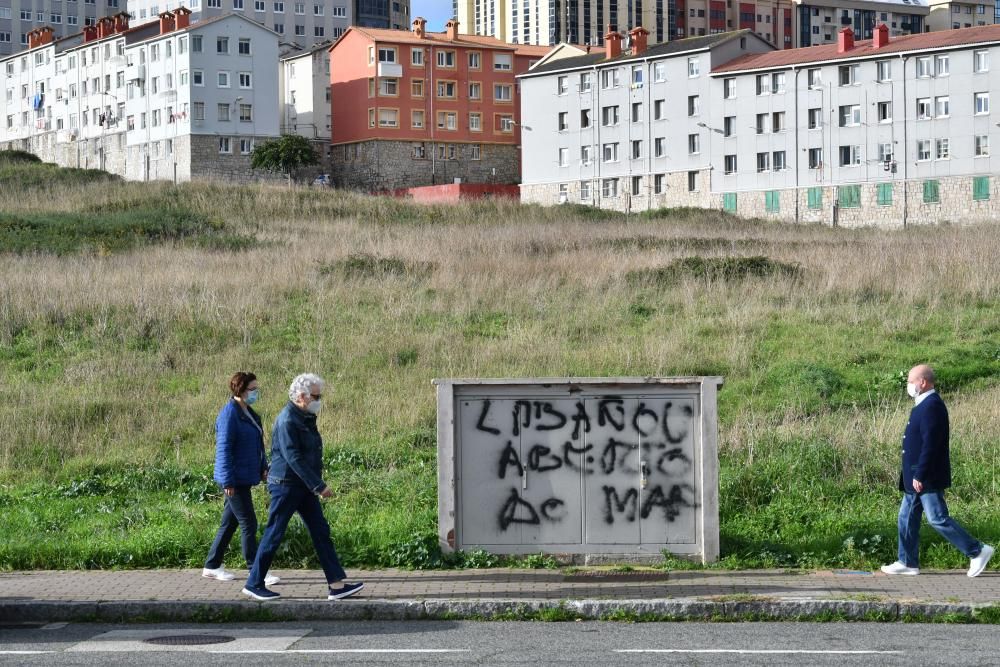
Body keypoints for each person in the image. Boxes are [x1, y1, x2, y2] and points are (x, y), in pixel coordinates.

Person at [242, 373, 364, 601]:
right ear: (301, 396)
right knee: (274, 533)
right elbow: (293, 457)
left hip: (302, 486)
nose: (319, 400)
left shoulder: (304, 416)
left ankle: (336, 585)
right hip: (286, 486)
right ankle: (254, 583)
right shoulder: (288, 419)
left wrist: (313, 484)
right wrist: (318, 485)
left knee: (321, 532)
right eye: (316, 396)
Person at [881, 364, 994, 578]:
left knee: (937, 518)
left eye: (911, 381)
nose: (908, 385)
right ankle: (907, 562)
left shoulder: (932, 405)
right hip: (915, 475)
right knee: (906, 517)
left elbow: (931, 444)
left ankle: (977, 551)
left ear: (922, 382)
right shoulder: (923, 403)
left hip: (925, 475)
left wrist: (920, 474)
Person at [203, 372, 279, 586]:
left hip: (246, 476)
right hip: (235, 480)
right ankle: (256, 571)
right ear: (241, 389)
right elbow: (224, 450)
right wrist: (227, 481)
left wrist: (263, 468)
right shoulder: (229, 414)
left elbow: (257, 446)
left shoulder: (250, 413)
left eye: (257, 388)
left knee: (229, 523)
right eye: (252, 389)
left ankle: (212, 565)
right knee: (249, 523)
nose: (256, 392)